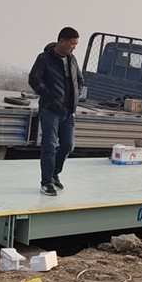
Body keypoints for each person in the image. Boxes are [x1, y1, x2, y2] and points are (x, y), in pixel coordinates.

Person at [28, 27, 84, 196]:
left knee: (68, 146)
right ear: (61, 41)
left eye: (76, 44)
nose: (74, 47)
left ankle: (54, 174)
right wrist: (50, 96)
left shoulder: (72, 59)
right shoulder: (44, 58)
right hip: (50, 110)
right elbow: (34, 79)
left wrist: (76, 95)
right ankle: (46, 183)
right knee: (49, 146)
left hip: (68, 111)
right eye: (72, 43)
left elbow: (79, 79)